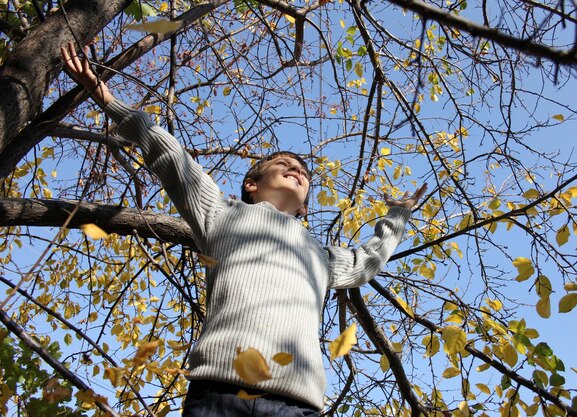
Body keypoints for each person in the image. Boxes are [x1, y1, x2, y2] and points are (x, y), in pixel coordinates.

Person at [62, 43, 427, 417]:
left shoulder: (321, 255)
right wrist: (106, 97)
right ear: (251, 184)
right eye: (284, 164)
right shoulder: (220, 212)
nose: (297, 170)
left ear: (304, 206)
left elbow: (367, 261)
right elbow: (168, 152)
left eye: (303, 173)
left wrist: (397, 215)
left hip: (298, 405)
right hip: (219, 393)